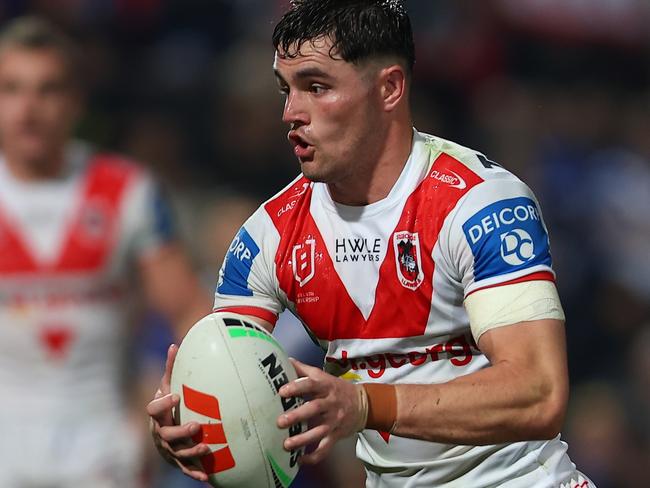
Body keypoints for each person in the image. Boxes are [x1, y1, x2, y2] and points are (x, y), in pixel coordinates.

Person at [148, 1, 595, 486]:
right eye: (286, 89)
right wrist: (189, 431)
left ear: (389, 88)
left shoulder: (480, 205)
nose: (290, 113)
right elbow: (226, 378)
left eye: (316, 87)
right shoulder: (267, 238)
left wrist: (364, 405)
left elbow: (539, 392)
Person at [0, 16, 210, 488]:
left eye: (47, 89)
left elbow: (190, 316)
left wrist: (173, 404)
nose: (28, 108)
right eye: (11, 89)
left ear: (76, 102)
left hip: (104, 452)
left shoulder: (126, 190)